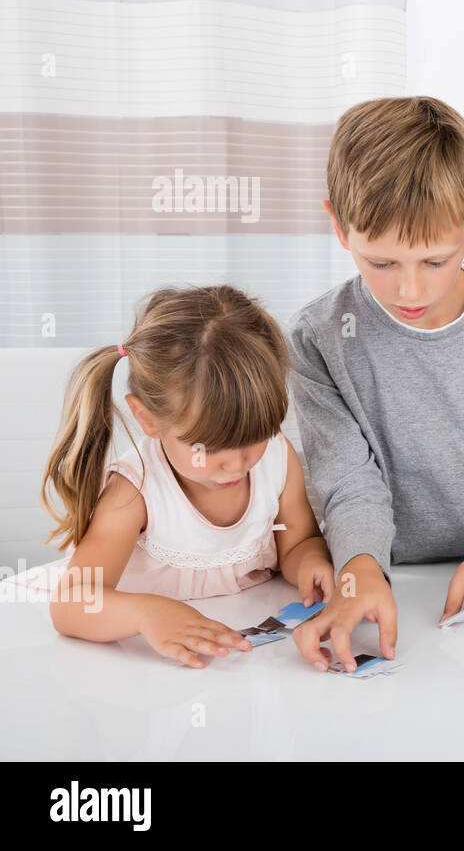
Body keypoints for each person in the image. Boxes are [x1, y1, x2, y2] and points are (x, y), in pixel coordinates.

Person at [287, 96, 464, 672]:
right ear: (338, 225)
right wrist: (359, 570)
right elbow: (348, 481)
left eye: (435, 261)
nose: (410, 291)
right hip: (377, 573)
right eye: (381, 263)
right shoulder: (316, 336)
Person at [25, 285, 334, 669]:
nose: (237, 465)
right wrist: (145, 614)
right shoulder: (133, 491)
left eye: (254, 437)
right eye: (211, 447)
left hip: (239, 641)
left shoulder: (276, 456)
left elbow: (298, 542)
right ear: (148, 419)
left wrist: (311, 565)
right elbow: (72, 602)